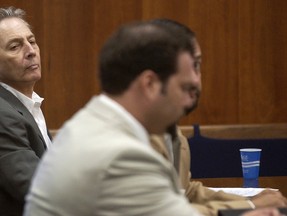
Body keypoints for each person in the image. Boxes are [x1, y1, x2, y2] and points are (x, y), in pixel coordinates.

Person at [24, 21, 202, 216]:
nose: (189, 98)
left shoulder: (90, 123)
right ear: (150, 84)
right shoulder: (123, 156)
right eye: (183, 88)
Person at [149, 19, 287, 216]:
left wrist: (249, 201)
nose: (197, 79)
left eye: (198, 66)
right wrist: (249, 207)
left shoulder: (172, 131)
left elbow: (185, 191)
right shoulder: (137, 139)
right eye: (192, 66)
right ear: (152, 77)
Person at [0, 6, 51, 216]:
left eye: (32, 41)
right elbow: (39, 188)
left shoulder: (25, 104)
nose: (31, 51)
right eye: (15, 46)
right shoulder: (3, 113)